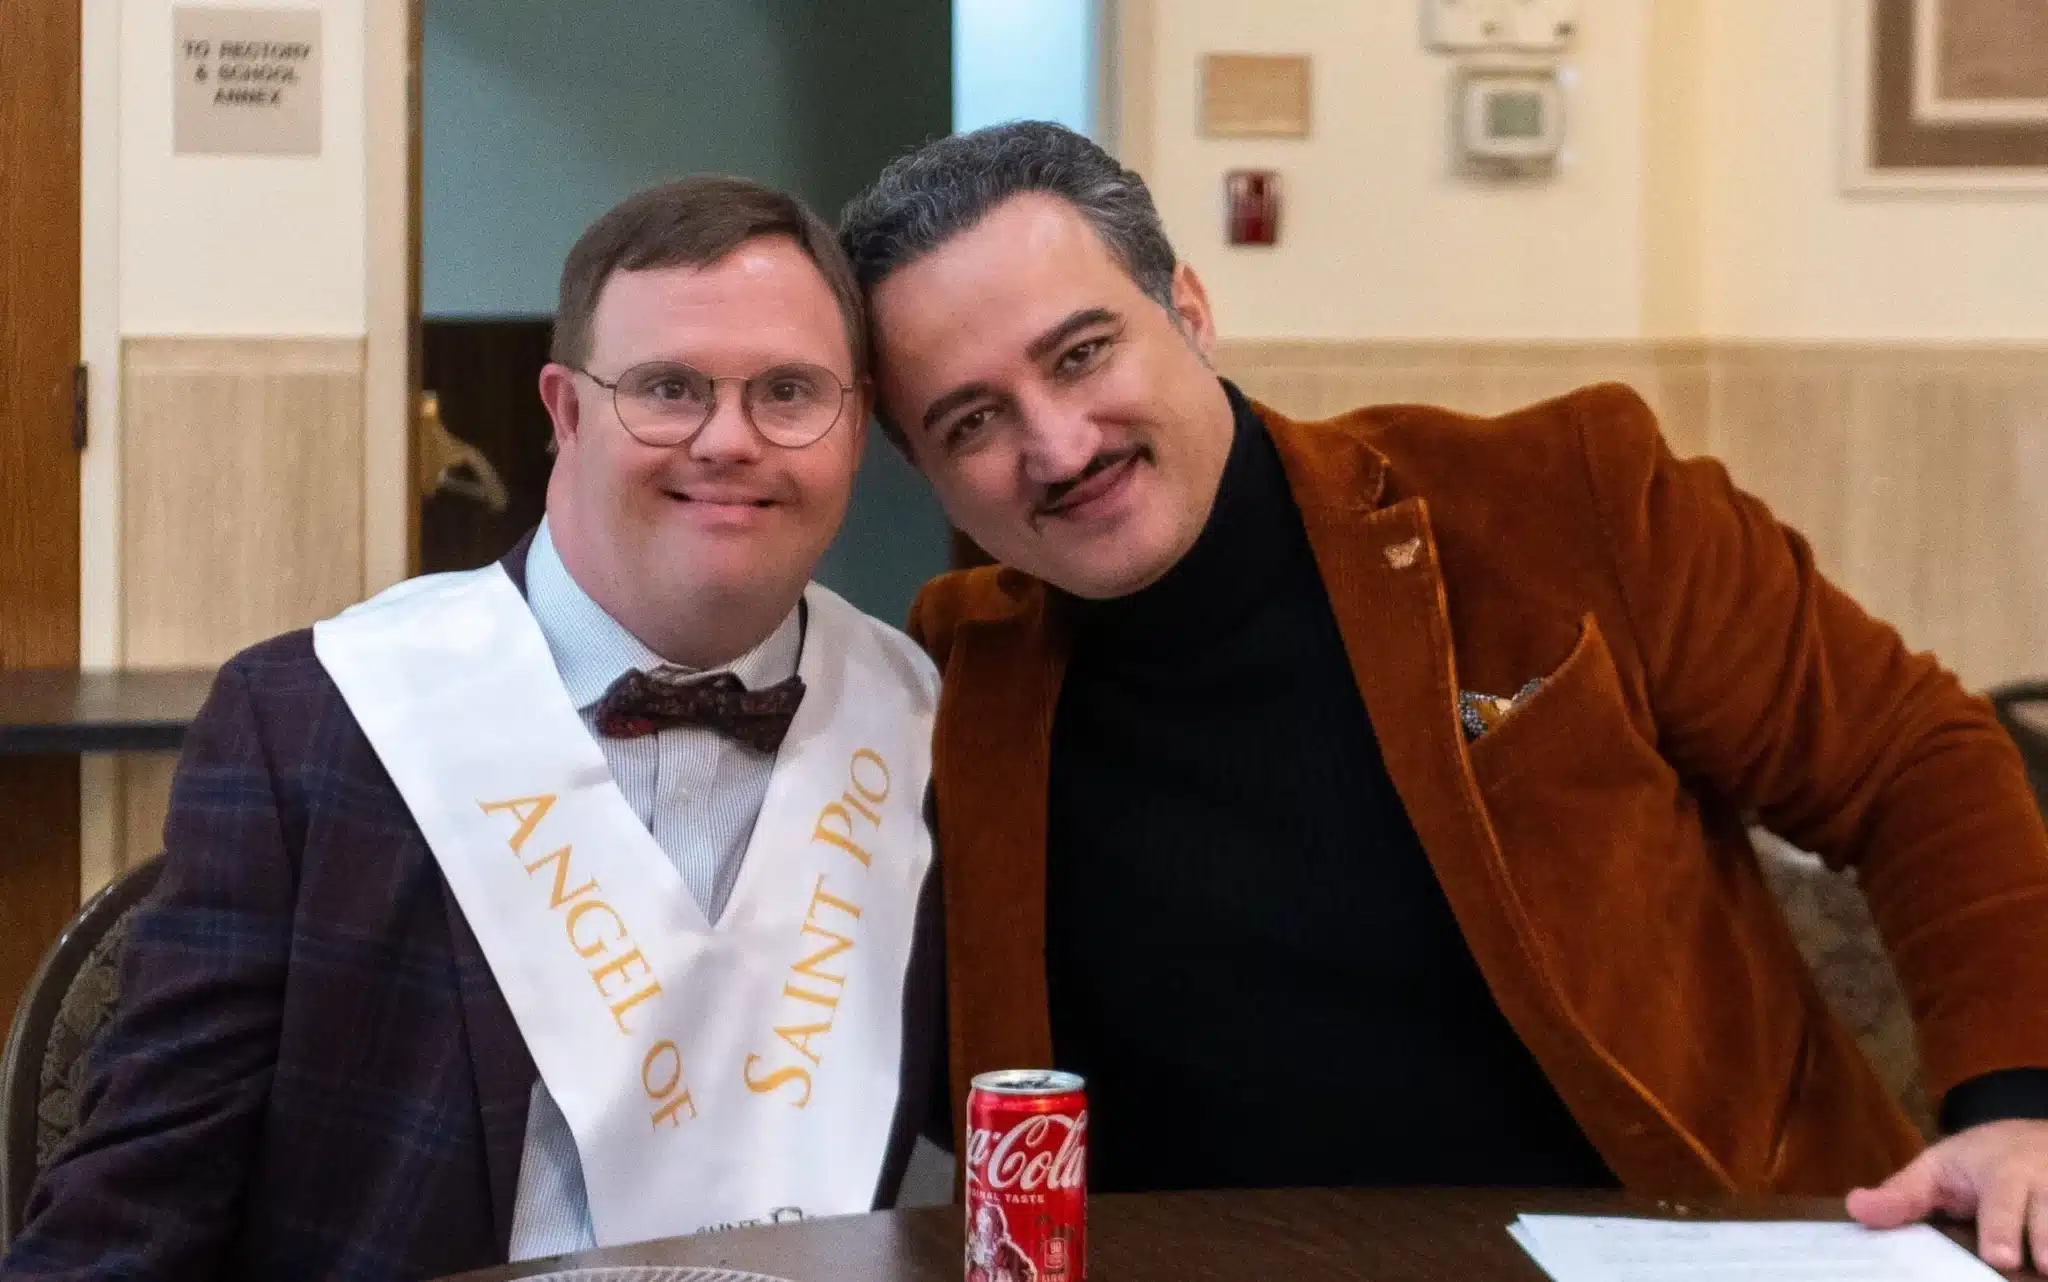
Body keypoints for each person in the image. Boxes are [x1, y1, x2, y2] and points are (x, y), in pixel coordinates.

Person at [838, 122, 2048, 1271]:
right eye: (974, 419)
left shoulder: (1558, 499)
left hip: (1685, 1246)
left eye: (1082, 352)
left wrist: (2016, 1106)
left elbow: (1912, 761)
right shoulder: (948, 679)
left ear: (1190, 313)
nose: (1055, 445)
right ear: (925, 469)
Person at [6, 176, 944, 1281]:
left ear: (853, 423)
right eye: (668, 388)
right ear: (564, 412)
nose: (727, 439)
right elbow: (134, 1217)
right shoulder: (313, 724)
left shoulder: (924, 721)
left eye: (790, 391)